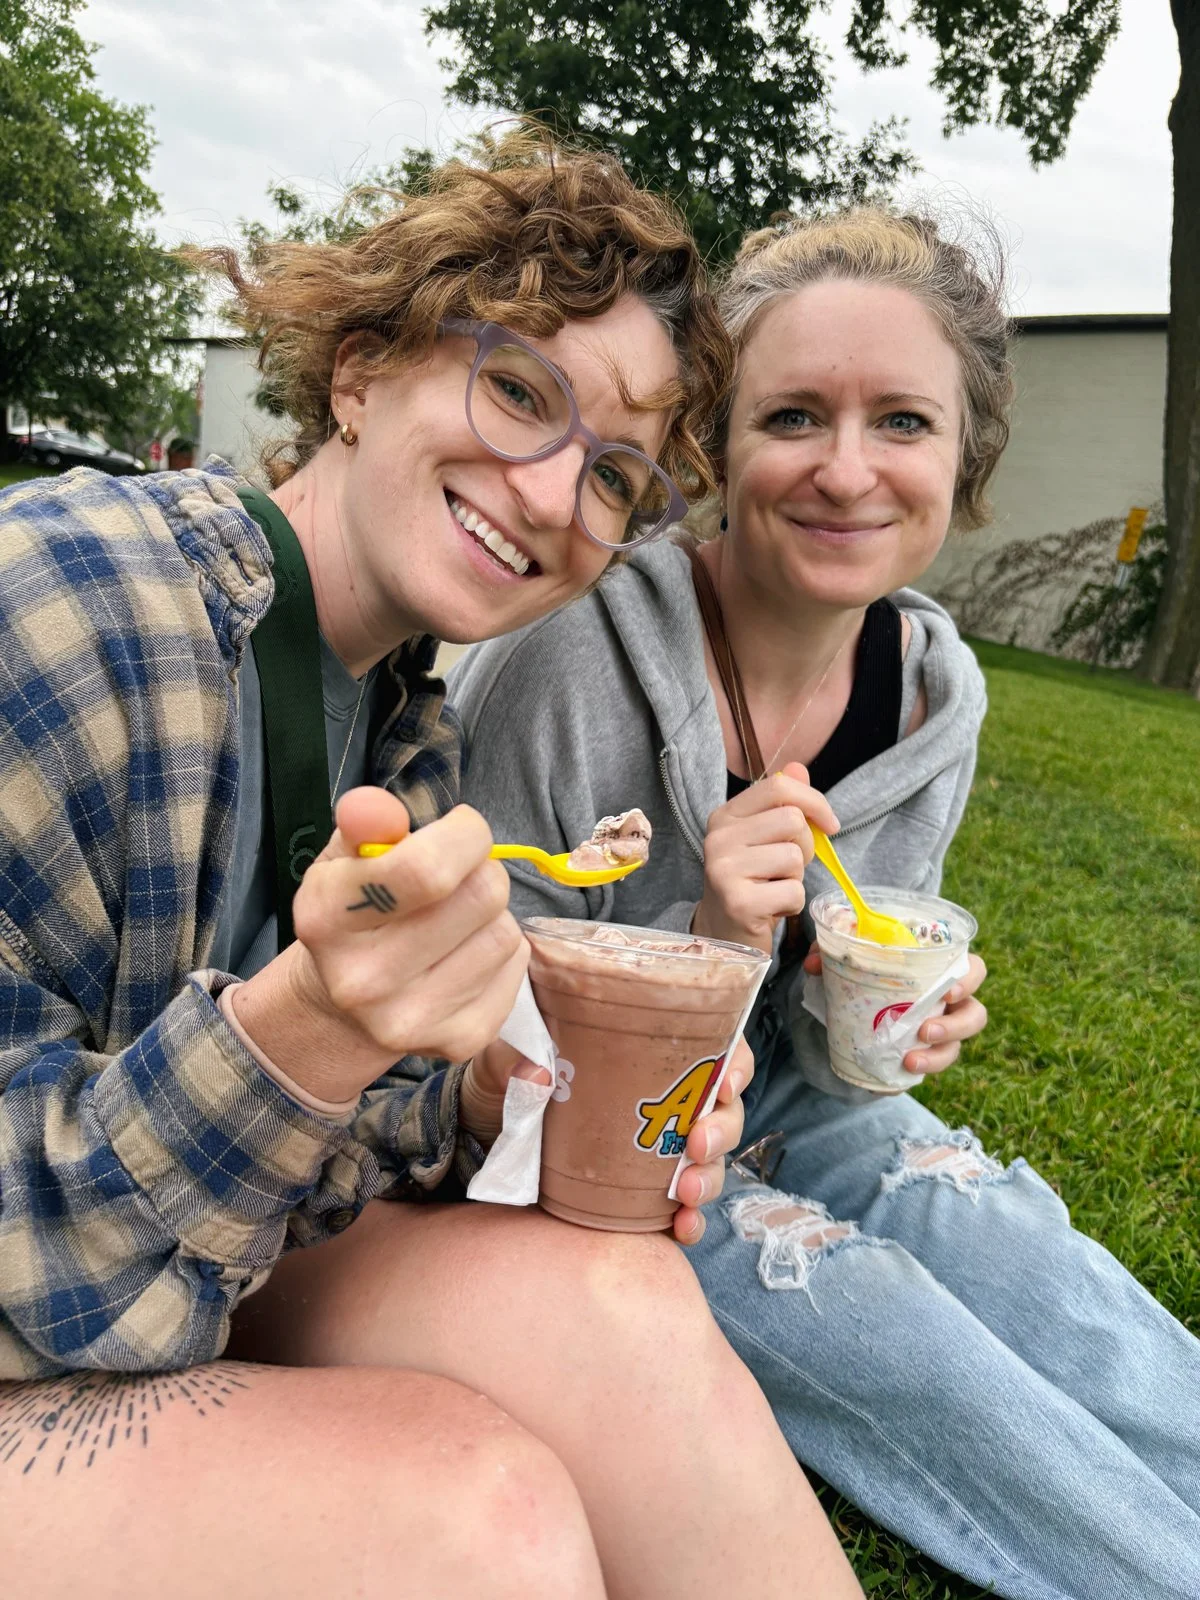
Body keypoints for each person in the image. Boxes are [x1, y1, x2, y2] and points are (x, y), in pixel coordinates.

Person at [0, 138, 862, 1600]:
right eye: (519, 390)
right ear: (360, 368)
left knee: (624, 1305)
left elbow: (334, 1149)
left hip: (189, 1263)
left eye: (613, 475)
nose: (548, 496)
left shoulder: (407, 731)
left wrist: (477, 1098)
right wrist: (301, 1037)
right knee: (485, 1524)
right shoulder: (63, 609)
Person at [451, 206, 1200, 1598]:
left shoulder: (930, 698)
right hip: (598, 1158)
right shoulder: (566, 649)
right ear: (719, 445)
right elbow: (474, 1054)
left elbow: (829, 1036)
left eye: (902, 422)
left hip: (790, 1097)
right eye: (794, 414)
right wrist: (710, 942)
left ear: (963, 460)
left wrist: (889, 1023)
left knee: (1019, 1252)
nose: (847, 471)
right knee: (903, 1339)